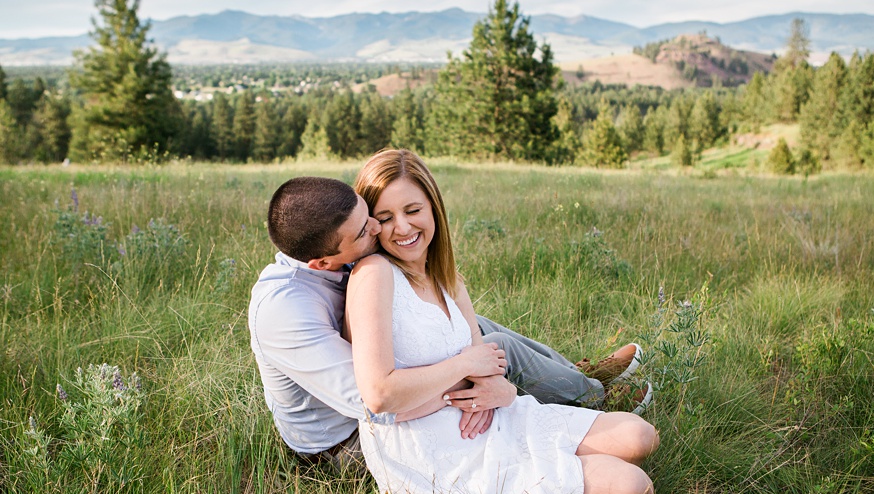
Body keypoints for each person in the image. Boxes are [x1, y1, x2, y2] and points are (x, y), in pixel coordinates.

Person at [346, 149, 658, 494]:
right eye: (385, 217)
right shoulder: (374, 274)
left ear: (433, 208)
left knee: (639, 436)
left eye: (413, 210)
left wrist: (504, 392)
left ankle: (579, 401)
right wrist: (465, 369)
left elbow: (488, 366)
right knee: (633, 488)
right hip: (434, 449)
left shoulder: (444, 274)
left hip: (490, 417)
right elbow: (379, 395)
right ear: (372, 226)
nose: (403, 227)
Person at [249, 175, 646, 468]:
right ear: (321, 262)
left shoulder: (334, 235)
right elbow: (375, 402)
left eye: (368, 213)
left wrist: (475, 361)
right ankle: (592, 398)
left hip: (380, 395)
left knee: (471, 327)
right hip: (345, 444)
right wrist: (477, 376)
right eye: (364, 229)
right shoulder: (284, 312)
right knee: (487, 352)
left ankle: (570, 378)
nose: (378, 227)